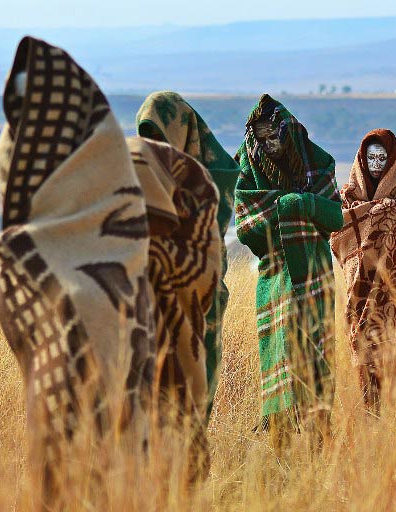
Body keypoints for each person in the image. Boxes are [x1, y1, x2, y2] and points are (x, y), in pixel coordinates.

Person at [0, 36, 156, 503]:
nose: (27, 123)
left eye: (37, 107)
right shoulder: (15, 174)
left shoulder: (112, 212)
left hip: (116, 456)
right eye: (16, 104)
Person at [234, 94, 342, 450]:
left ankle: (319, 450)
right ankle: (279, 458)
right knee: (280, 356)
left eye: (273, 136)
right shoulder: (249, 167)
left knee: (315, 356)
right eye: (262, 139)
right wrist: (291, 206)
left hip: (314, 274)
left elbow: (334, 216)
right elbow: (248, 225)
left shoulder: (318, 161)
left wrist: (304, 203)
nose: (269, 145)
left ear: (287, 130)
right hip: (275, 279)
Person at [136, 91, 240, 422]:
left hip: (199, 302)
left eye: (160, 136)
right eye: (147, 137)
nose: (155, 146)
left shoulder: (213, 176)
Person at [331, 129, 396, 413]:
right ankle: (369, 411)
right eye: (370, 157)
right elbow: (338, 233)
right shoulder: (348, 196)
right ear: (362, 160)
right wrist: (376, 213)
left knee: (391, 345)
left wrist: (386, 212)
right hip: (357, 287)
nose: (375, 163)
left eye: (381, 158)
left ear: (392, 160)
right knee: (360, 341)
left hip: (394, 290)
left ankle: (394, 413)